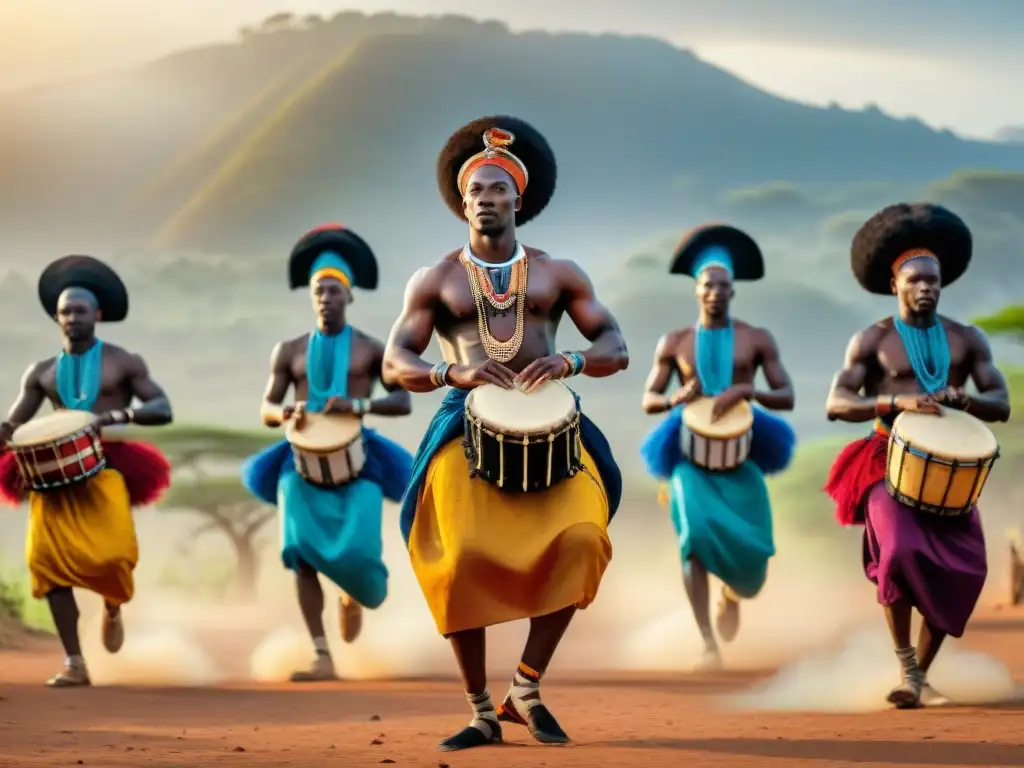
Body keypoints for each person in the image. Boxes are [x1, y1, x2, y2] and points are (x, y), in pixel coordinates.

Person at [382, 116, 627, 751]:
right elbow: (395, 362)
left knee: (582, 540)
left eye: (497, 189)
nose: (486, 199)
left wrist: (570, 361)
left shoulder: (559, 273)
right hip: (464, 425)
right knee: (457, 560)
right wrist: (448, 370)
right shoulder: (433, 280)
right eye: (475, 191)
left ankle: (525, 688)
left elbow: (614, 344)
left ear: (519, 199)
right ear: (461, 203)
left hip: (553, 425)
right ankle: (478, 711)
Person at [824, 203, 1010, 708]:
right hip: (888, 457)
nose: (927, 287)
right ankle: (907, 666)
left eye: (935, 280)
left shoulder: (967, 339)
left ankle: (919, 675)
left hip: (950, 467)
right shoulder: (873, 339)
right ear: (895, 286)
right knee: (901, 551)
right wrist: (895, 401)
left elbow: (1002, 404)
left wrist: (964, 398)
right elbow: (837, 404)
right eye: (916, 280)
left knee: (966, 570)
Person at [241, 224, 414, 682]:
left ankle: (351, 595)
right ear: (310, 296)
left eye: (334, 290)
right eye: (319, 290)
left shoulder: (374, 350)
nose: (326, 298)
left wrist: (357, 404)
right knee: (299, 553)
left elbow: (403, 401)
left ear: (349, 297)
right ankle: (321, 653)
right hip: (298, 466)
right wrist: (286, 415)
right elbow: (266, 407)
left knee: (357, 555)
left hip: (359, 466)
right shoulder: (289, 350)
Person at [0, 255, 173, 687]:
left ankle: (113, 605)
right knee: (47, 565)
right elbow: (15, 424)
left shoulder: (124, 362)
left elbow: (161, 407)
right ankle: (74, 661)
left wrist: (113, 417)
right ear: (56, 319)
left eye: (81, 310)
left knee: (113, 557)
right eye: (65, 311)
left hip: (105, 471)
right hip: (53, 481)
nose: (73, 317)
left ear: (98, 315)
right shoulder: (41, 372)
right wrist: (5, 431)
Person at [638, 225, 796, 670]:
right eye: (708, 286)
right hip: (689, 460)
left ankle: (733, 592)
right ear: (696, 290)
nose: (716, 293)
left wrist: (748, 390)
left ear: (733, 291)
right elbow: (649, 399)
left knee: (755, 555)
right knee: (694, 540)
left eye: (724, 286)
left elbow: (786, 395)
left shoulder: (757, 339)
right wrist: (674, 398)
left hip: (741, 460)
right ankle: (707, 643)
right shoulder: (674, 342)